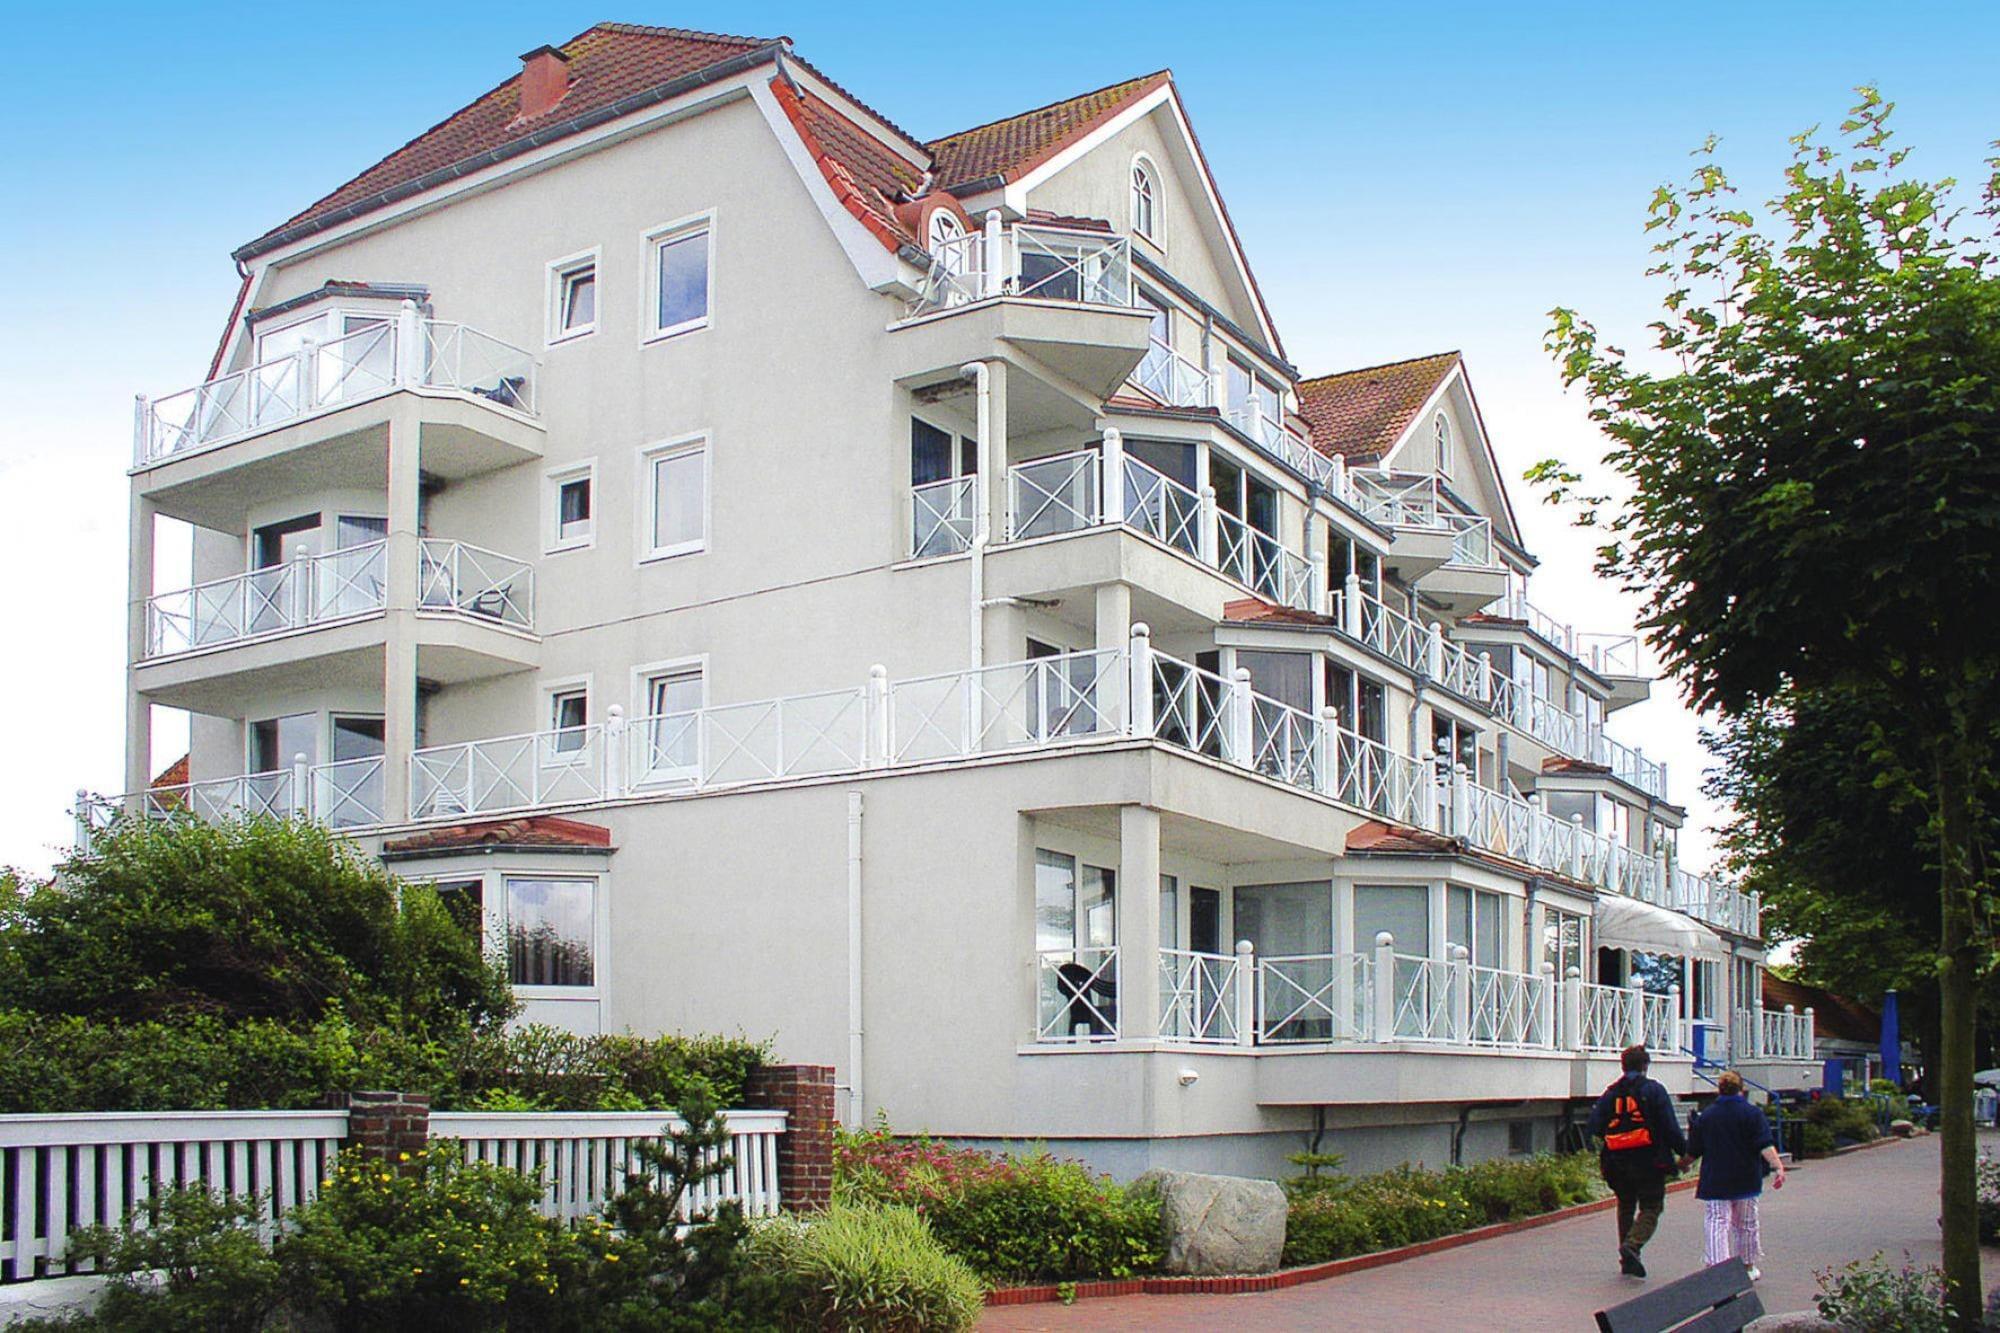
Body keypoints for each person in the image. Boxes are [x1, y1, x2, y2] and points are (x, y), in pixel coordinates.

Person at [1588, 1043, 1687, 1278]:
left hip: (1616, 1161)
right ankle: (1632, 1246)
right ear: (1645, 1066)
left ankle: (1627, 1260)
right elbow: (1669, 1126)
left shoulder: (1611, 1093)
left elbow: (1594, 1126)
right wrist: (1684, 1152)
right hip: (1649, 1160)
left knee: (1625, 1205)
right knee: (1652, 1206)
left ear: (1623, 1066)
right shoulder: (1654, 1091)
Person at [1683, 1070, 1785, 1280]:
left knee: (1717, 1222)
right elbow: (1764, 1144)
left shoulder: (1707, 1116)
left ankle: (1719, 1269)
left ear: (1719, 1090)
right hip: (1746, 1178)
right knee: (1746, 1223)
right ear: (1741, 1089)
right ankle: (1748, 1266)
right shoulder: (1753, 1114)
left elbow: (1694, 1149)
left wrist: (1682, 1165)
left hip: (1715, 1179)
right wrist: (1777, 1167)